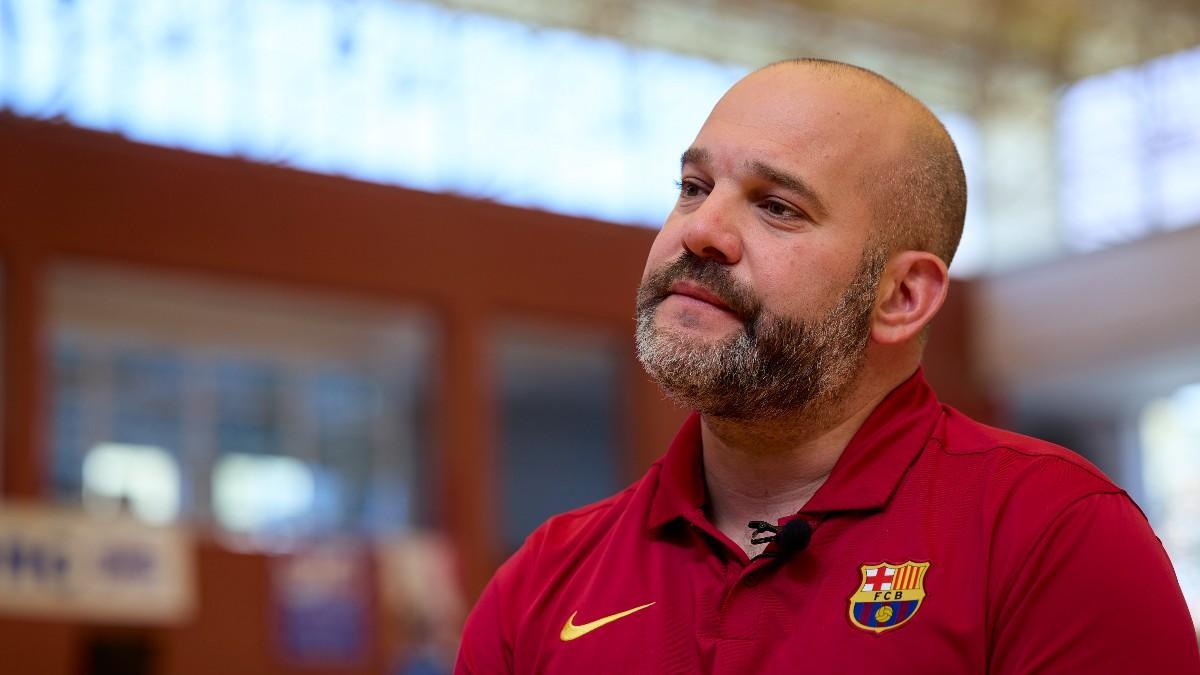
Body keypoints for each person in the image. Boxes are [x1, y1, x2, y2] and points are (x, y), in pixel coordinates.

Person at [454, 59, 1200, 673]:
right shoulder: (545, 580)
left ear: (902, 296)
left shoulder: (1055, 538)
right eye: (693, 187)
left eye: (777, 206)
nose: (703, 231)